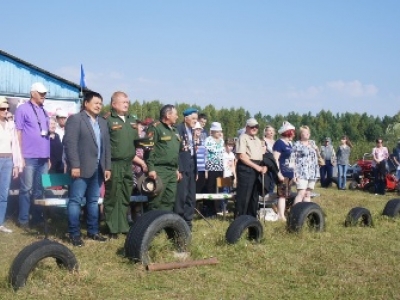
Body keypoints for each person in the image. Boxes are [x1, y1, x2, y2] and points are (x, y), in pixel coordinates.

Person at [63, 91, 111, 246]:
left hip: (98, 168)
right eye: (96, 103)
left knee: (93, 201)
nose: (99, 106)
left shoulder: (102, 122)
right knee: (75, 201)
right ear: (86, 103)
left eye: (101, 103)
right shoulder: (76, 120)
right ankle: (74, 233)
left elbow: (106, 147)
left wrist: (107, 167)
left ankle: (93, 231)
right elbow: (70, 144)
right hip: (81, 168)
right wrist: (75, 165)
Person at [103, 91, 145, 239]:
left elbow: (136, 143)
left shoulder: (132, 121)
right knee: (113, 196)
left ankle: (122, 225)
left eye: (128, 101)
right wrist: (106, 166)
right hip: (114, 164)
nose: (127, 104)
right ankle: (111, 227)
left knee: (125, 195)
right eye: (123, 101)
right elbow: (104, 145)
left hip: (128, 164)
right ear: (114, 104)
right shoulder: (108, 121)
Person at [14, 82, 51, 230]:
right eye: (41, 93)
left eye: (44, 93)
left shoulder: (44, 111)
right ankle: (23, 220)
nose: (44, 96)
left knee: (39, 189)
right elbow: (18, 133)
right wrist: (20, 156)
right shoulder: (22, 109)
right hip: (29, 155)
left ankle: (37, 219)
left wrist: (48, 157)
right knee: (26, 189)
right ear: (32, 93)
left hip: (43, 157)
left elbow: (46, 133)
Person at [145, 104, 180, 211]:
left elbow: (174, 152)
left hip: (172, 171)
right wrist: (151, 169)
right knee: (155, 200)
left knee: (169, 200)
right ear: (168, 115)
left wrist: (176, 169)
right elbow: (149, 149)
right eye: (175, 114)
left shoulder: (174, 131)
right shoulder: (155, 127)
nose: (177, 117)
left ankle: (165, 224)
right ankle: (151, 226)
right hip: (159, 170)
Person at [235, 118, 267, 218]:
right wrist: (257, 167)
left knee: (254, 195)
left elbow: (261, 155)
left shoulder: (258, 140)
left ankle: (252, 217)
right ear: (247, 127)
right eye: (252, 126)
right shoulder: (243, 137)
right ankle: (241, 217)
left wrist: (264, 166)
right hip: (246, 167)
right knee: (244, 194)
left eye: (256, 127)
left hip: (257, 167)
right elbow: (242, 156)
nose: (254, 128)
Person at [0, 97, 22, 233]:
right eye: (2, 108)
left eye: (7, 108)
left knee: (3, 193)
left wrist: (16, 165)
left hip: (8, 160)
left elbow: (15, 145)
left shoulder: (10, 125)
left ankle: (0, 223)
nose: (5, 111)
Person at [174, 108, 198, 229]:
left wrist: (196, 170)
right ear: (186, 118)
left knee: (191, 195)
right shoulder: (178, 130)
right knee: (181, 195)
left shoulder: (191, 131)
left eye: (196, 119)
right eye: (193, 118)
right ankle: (177, 220)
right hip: (182, 165)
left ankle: (188, 220)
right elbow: (176, 151)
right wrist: (177, 168)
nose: (195, 121)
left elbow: (193, 151)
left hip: (192, 166)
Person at [273, 121, 296, 221]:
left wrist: (294, 174)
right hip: (282, 173)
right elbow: (275, 160)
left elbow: (292, 160)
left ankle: (283, 213)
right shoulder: (279, 143)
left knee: (287, 195)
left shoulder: (290, 144)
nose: (294, 135)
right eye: (293, 132)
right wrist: (279, 173)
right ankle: (280, 215)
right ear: (288, 132)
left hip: (289, 173)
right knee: (282, 195)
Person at [292, 126, 319, 204]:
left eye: (308, 132)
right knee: (301, 193)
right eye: (305, 132)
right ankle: (295, 213)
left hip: (312, 172)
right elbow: (292, 160)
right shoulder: (296, 145)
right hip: (301, 173)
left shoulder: (313, 143)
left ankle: (305, 213)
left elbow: (318, 156)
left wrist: (317, 150)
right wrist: (294, 174)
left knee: (307, 194)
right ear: (300, 134)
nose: (307, 133)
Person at [204, 122, 225, 216]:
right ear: (212, 132)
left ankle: (219, 208)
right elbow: (210, 153)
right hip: (211, 167)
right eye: (217, 132)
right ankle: (210, 210)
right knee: (211, 188)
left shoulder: (221, 141)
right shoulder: (208, 140)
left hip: (220, 167)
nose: (219, 133)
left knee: (220, 187)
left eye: (220, 131)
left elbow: (222, 153)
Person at [221, 138, 236, 214]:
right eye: (229, 145)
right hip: (224, 175)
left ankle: (225, 207)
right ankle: (223, 208)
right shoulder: (222, 154)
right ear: (225, 145)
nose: (230, 147)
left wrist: (235, 176)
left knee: (229, 191)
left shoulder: (232, 154)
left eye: (232, 146)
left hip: (230, 175)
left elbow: (233, 165)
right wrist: (223, 175)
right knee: (224, 191)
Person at [193, 121, 207, 194]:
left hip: (202, 169)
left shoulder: (203, 142)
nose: (198, 131)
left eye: (199, 129)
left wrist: (206, 170)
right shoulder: (191, 141)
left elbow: (205, 156)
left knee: (200, 188)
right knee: (193, 189)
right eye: (196, 129)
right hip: (194, 169)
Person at [263, 125, 276, 194]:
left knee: (273, 182)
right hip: (267, 164)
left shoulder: (275, 142)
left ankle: (270, 197)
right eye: (269, 131)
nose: (271, 132)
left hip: (275, 164)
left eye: (272, 131)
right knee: (267, 181)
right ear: (265, 132)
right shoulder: (263, 140)